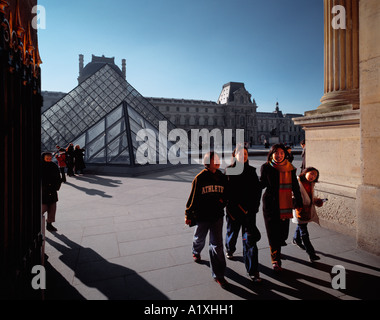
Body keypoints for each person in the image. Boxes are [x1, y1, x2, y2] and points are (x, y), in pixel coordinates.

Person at [185, 152, 228, 288]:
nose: (217, 161)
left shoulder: (221, 176)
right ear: (207, 162)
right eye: (214, 159)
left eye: (218, 159)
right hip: (202, 216)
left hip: (216, 215)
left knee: (217, 245)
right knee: (199, 237)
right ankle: (196, 250)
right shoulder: (200, 178)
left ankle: (219, 275)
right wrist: (188, 214)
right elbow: (193, 197)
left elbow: (227, 193)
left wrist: (223, 201)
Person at [260, 144, 303, 272]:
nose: (279, 155)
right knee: (273, 233)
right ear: (272, 154)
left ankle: (277, 249)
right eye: (276, 153)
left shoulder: (290, 168)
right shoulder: (266, 167)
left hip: (285, 204)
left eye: (281, 153)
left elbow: (295, 187)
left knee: (283, 234)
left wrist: (298, 203)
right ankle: (275, 260)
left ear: (285, 154)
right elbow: (261, 184)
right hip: (270, 204)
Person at [225, 146, 262, 283]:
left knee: (250, 242)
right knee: (232, 234)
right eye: (240, 154)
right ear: (235, 155)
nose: (243, 156)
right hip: (234, 212)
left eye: (245, 154)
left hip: (249, 212)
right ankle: (230, 248)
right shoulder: (229, 171)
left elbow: (257, 192)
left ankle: (253, 271)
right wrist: (234, 208)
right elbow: (227, 193)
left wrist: (254, 208)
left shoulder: (252, 172)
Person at [292, 167, 324, 262]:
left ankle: (296, 239)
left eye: (315, 175)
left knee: (302, 225)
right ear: (305, 172)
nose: (313, 176)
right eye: (311, 173)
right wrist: (298, 204)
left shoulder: (311, 183)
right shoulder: (297, 182)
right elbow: (292, 195)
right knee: (304, 232)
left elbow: (309, 197)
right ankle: (311, 253)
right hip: (300, 210)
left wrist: (316, 201)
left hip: (307, 210)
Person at [41, 152, 62, 232]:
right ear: (43, 158)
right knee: (42, 208)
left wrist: (57, 186)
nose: (49, 160)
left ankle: (49, 224)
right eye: (47, 158)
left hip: (52, 191)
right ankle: (38, 224)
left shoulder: (54, 165)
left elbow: (58, 177)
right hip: (43, 191)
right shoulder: (40, 166)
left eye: (50, 158)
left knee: (52, 209)